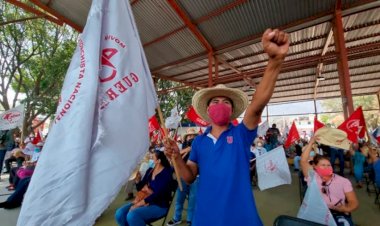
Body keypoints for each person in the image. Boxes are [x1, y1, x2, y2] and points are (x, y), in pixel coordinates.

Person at [164, 28, 289, 226]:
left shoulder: (241, 134)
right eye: (215, 101)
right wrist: (177, 158)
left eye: (226, 102)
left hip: (242, 219)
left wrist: (275, 61)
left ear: (232, 111)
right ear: (207, 110)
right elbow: (188, 177)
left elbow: (256, 106)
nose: (220, 104)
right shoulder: (199, 142)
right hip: (205, 219)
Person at [301, 136, 359, 226]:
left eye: (329, 165)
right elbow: (303, 161)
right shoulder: (313, 178)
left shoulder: (343, 181)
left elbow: (353, 201)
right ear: (315, 167)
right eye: (323, 165)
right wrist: (311, 142)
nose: (327, 167)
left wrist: (345, 209)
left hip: (338, 213)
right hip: (317, 213)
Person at [115, 150, 174, 226]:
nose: (150, 159)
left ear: (158, 161)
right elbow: (140, 188)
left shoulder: (165, 173)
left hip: (159, 205)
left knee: (132, 215)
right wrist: (138, 181)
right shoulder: (150, 170)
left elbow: (156, 195)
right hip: (144, 200)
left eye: (152, 158)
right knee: (119, 214)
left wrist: (137, 205)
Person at [167, 128, 199, 226]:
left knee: (192, 199)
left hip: (196, 176)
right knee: (179, 198)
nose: (191, 137)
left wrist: (192, 148)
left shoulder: (199, 146)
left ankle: (190, 219)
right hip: (183, 176)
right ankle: (177, 217)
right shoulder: (182, 147)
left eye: (193, 136)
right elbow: (175, 157)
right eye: (189, 136)